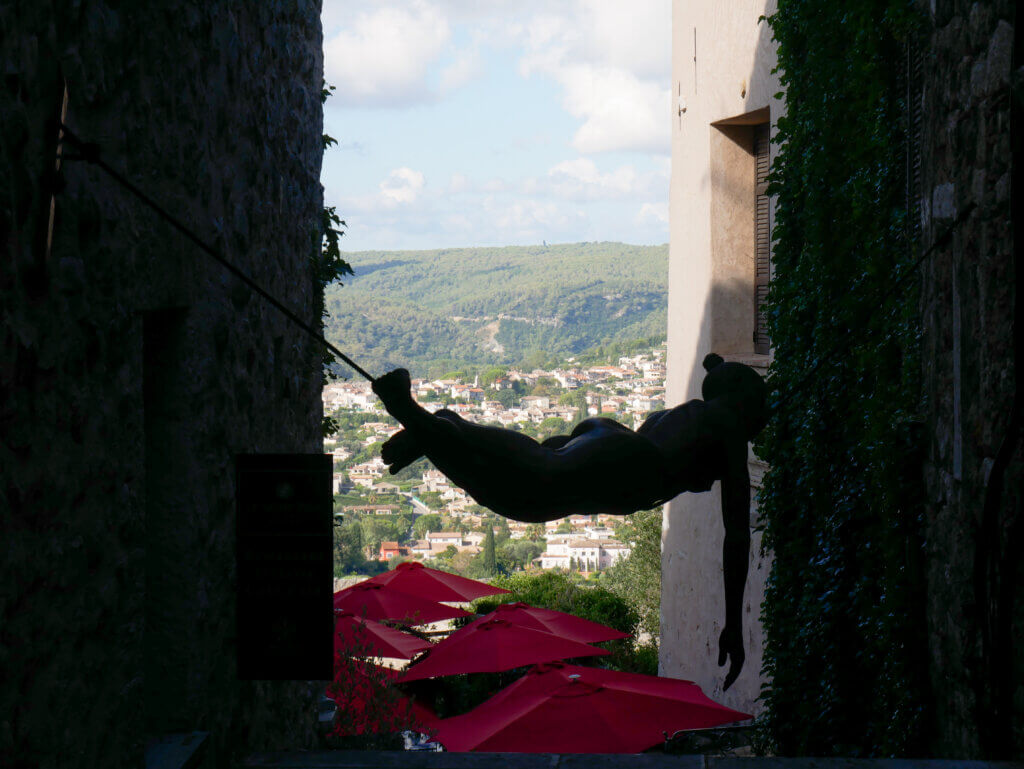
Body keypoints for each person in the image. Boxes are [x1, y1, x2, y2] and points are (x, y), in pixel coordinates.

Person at [372, 353, 768, 689]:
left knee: (527, 490)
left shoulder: (688, 415)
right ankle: (419, 417)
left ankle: (438, 430)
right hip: (634, 465)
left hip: (612, 443)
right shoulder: (727, 422)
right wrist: (734, 621)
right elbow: (736, 532)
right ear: (743, 403)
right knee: (535, 486)